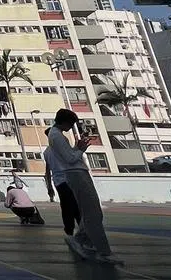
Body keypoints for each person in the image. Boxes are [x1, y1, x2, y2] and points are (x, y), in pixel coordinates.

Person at [48, 108, 121, 265]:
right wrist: (81, 149)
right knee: (92, 212)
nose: (71, 127)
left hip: (75, 173)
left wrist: (77, 148)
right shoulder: (56, 136)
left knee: (92, 212)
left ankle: (82, 239)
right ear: (65, 122)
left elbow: (68, 155)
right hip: (76, 173)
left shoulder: (57, 135)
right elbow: (70, 159)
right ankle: (103, 251)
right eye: (71, 124)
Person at [43, 131, 81, 237]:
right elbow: (73, 159)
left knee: (66, 207)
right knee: (77, 206)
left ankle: (69, 230)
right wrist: (78, 146)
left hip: (59, 183)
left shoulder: (47, 151)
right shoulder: (61, 148)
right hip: (69, 180)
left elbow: (47, 171)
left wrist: (49, 186)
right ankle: (81, 229)